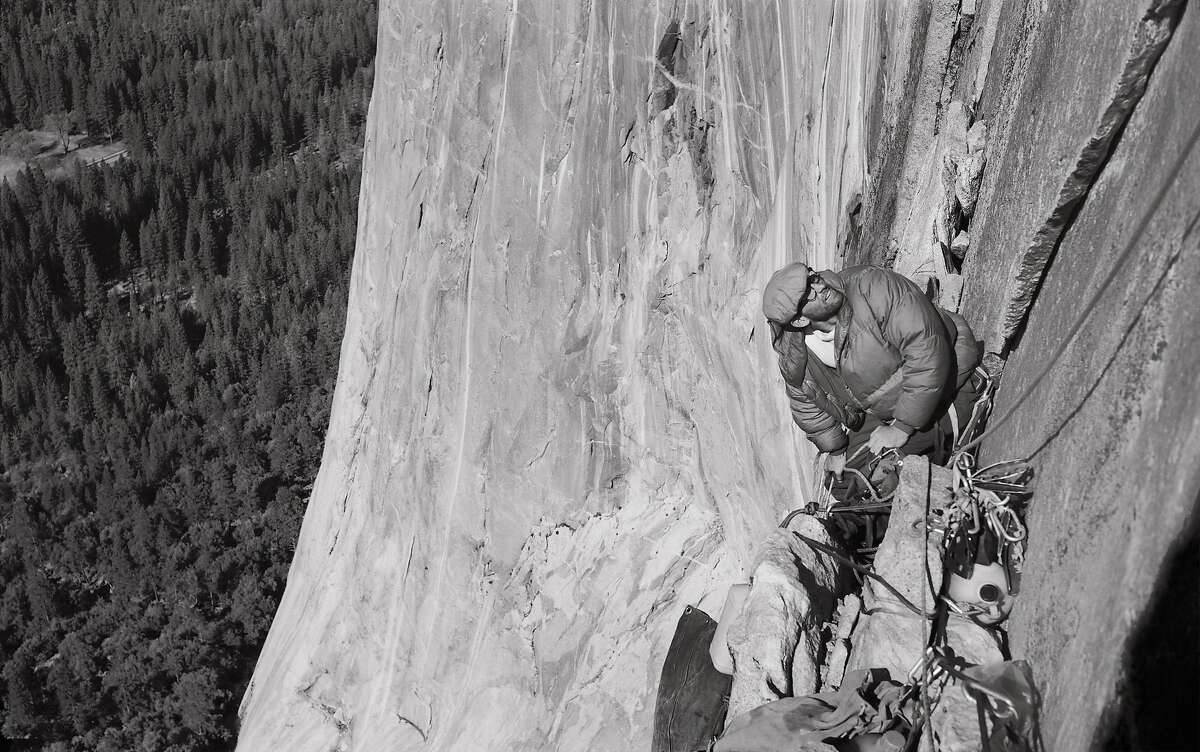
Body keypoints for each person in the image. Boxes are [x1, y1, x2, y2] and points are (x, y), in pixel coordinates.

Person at [762, 262, 982, 496]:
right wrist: (836, 449)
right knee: (842, 482)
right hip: (883, 410)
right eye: (807, 292)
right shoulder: (798, 354)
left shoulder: (872, 287)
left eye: (812, 277)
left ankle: (966, 420)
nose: (819, 285)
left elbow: (927, 351)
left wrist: (902, 427)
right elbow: (805, 404)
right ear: (798, 321)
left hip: (948, 380)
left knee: (889, 470)